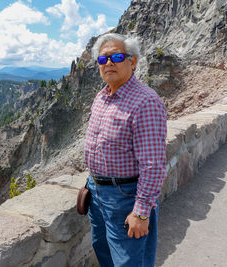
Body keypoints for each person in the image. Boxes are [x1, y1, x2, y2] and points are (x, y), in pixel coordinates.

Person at [84, 33, 167, 267]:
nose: (108, 63)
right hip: (97, 192)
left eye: (116, 57)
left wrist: (141, 213)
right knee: (105, 254)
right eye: (102, 59)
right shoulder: (101, 97)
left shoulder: (146, 102)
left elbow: (153, 164)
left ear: (132, 61)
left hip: (126, 197)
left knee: (129, 262)